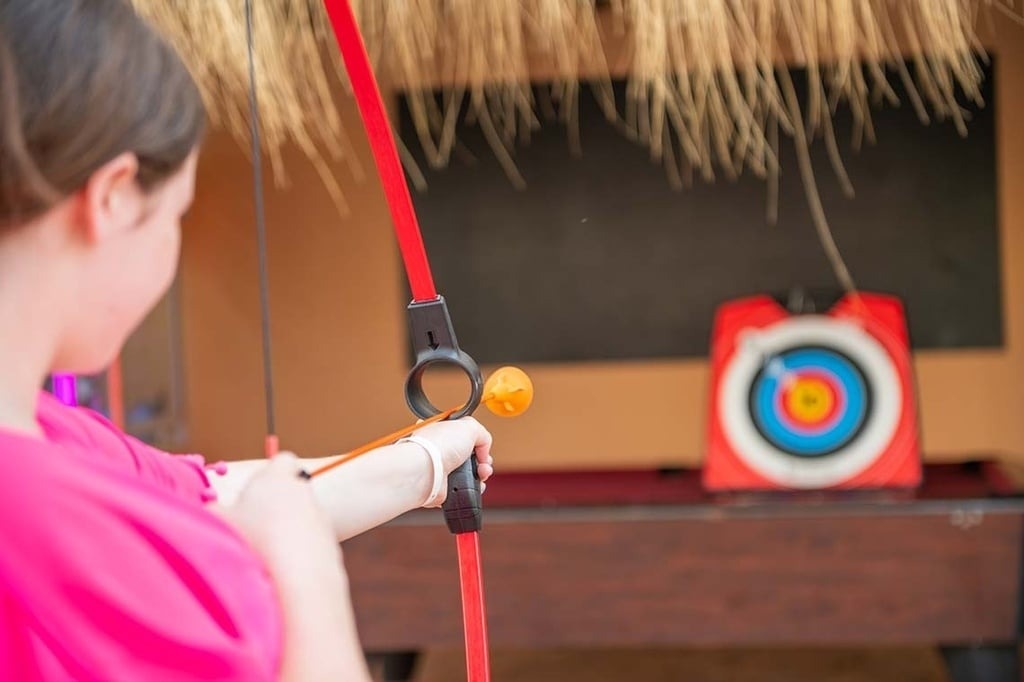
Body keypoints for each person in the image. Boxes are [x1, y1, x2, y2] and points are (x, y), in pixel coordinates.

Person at [0, 1, 495, 680]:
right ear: (113, 197)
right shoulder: (46, 509)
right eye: (176, 216)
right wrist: (304, 565)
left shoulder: (54, 438)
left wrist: (428, 463)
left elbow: (212, 498)